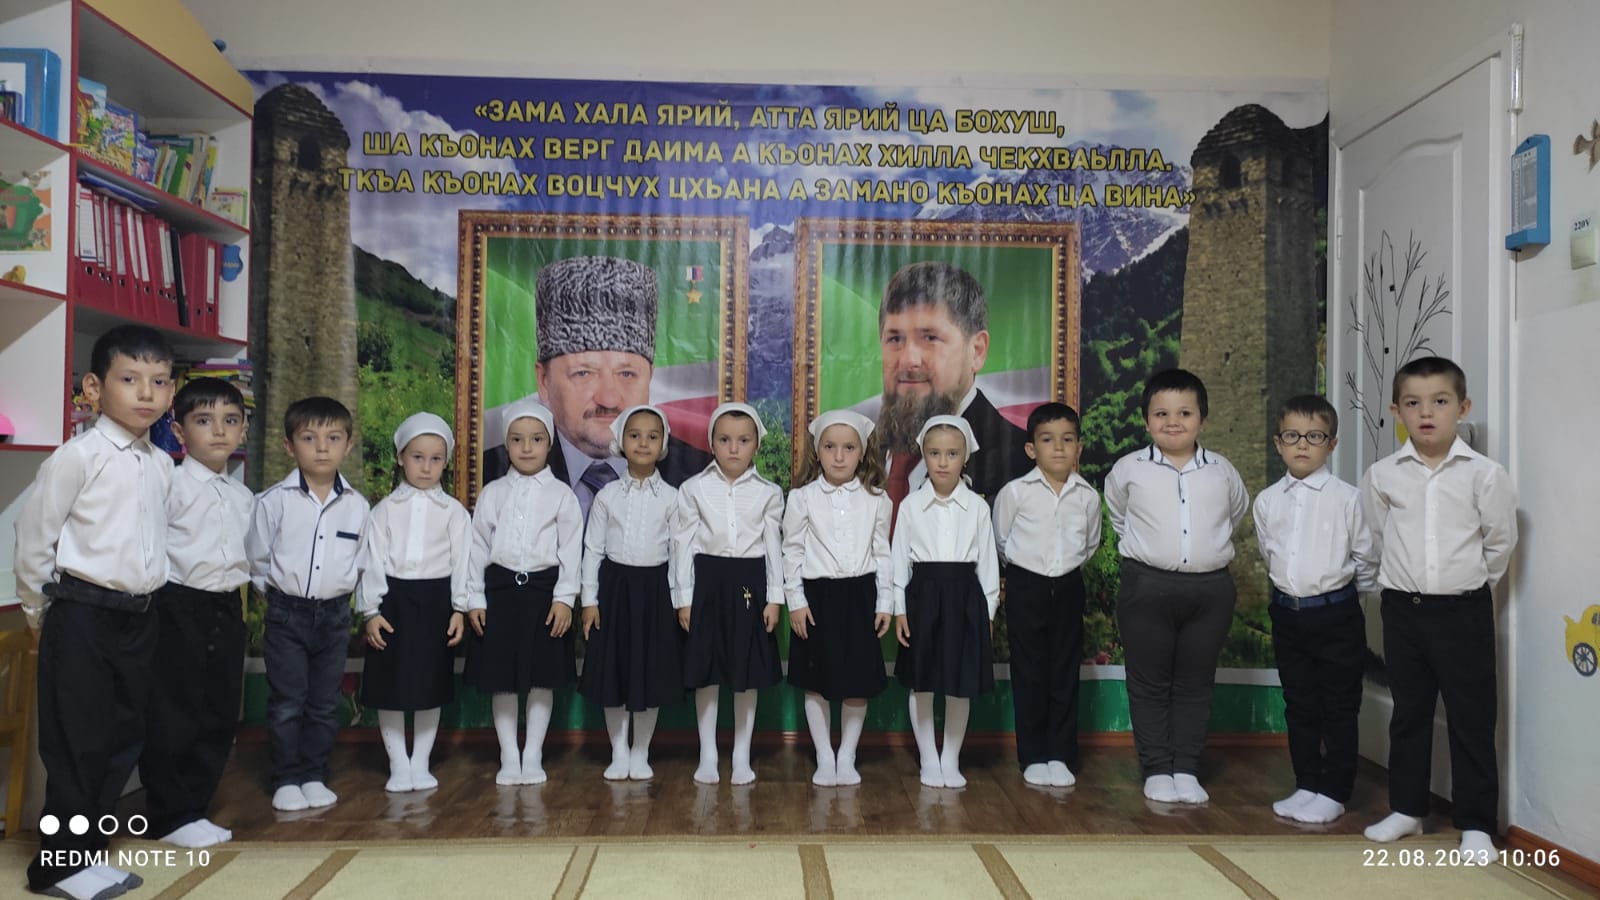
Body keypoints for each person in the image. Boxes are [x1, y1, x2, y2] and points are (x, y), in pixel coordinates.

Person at [16, 325, 174, 899]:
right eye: (130, 379)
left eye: (160, 381)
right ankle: (56, 867)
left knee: (121, 740)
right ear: (93, 387)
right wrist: (41, 614)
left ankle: (87, 855)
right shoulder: (77, 458)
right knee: (77, 743)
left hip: (140, 616)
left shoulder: (162, 464)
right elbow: (35, 540)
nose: (146, 393)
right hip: (82, 615)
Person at [1359, 357, 1517, 864]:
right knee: (1409, 714)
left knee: (1472, 718)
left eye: (1440, 401)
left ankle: (1476, 823)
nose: (1426, 413)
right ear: (1397, 411)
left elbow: (1499, 544)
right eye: (1413, 403)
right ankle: (1408, 809)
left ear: (1462, 408)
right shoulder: (1383, 476)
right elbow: (1376, 537)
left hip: (1463, 612)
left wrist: (1466, 589)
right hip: (1403, 611)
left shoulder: (1485, 475)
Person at [1103, 369, 1248, 805]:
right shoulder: (1129, 469)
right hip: (1147, 587)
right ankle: (1156, 768)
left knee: (1195, 682)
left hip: (1210, 592)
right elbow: (1119, 516)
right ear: (1146, 420)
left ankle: (1186, 768)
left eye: (1184, 413)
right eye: (1161, 413)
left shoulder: (1222, 472)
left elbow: (1234, 516)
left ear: (1202, 418)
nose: (1173, 422)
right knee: (1148, 683)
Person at [481, 255, 711, 514]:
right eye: (583, 373)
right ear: (544, 381)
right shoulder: (489, 474)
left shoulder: (698, 477)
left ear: (649, 377)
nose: (608, 399)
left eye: (626, 374)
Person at [139, 377, 252, 851]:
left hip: (226, 605)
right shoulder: (169, 484)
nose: (219, 431)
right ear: (179, 431)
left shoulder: (242, 496)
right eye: (204, 420)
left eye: (230, 420)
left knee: (218, 710)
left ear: (244, 429)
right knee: (175, 710)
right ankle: (170, 814)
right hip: (177, 604)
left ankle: (195, 806)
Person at [1254, 395, 1378, 825]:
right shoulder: (1268, 501)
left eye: (1314, 436)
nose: (1302, 444)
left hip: (1336, 614)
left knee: (1339, 705)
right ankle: (1306, 782)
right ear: (1278, 443)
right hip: (1288, 614)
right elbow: (1271, 555)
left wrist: (1338, 599)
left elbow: (1366, 560)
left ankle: (1335, 791)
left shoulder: (1348, 499)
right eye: (1292, 436)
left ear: (1332, 443)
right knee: (1299, 702)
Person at [248, 396, 369, 813]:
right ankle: (286, 778)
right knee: (287, 702)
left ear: (347, 445)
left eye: (333, 438)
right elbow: (257, 560)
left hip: (335, 615)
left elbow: (362, 563)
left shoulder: (357, 506)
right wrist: (278, 597)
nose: (321, 448)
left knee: (323, 701)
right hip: (287, 613)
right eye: (309, 438)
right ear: (289, 446)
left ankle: (314, 774)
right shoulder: (273, 501)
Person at [465, 399, 581, 786]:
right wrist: (475, 599)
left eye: (536, 439)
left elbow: (571, 552)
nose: (526, 447)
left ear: (549, 444)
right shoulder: (493, 493)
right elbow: (477, 548)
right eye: (517, 439)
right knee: (503, 677)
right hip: (499, 592)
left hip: (544, 594)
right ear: (506, 444)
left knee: (540, 677)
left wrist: (564, 599)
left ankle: (532, 754)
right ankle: (508, 755)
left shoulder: (562, 495)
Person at [357, 413, 471, 793]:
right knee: (389, 685)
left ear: (446, 462)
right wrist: (371, 611)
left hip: (436, 602)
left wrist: (459, 608)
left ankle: (420, 762)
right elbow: (372, 560)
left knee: (429, 684)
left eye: (436, 459)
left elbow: (463, 562)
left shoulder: (454, 512)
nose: (426, 467)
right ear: (400, 458)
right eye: (417, 457)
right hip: (393, 602)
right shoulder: (384, 510)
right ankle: (398, 763)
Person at [991, 402, 1101, 789]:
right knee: (1030, 671)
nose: (1058, 448)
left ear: (1078, 448)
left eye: (1067, 440)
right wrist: (1026, 574)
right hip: (1027, 585)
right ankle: (1034, 754)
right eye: (1048, 439)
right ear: (1030, 448)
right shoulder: (1016, 492)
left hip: (1069, 585)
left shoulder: (1087, 496)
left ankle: (1061, 754)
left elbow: (1090, 544)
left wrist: (1063, 571)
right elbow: (1002, 540)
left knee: (1064, 670)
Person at [674, 402, 784, 786]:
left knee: (744, 671)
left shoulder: (769, 493)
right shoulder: (693, 489)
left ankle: (741, 754)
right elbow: (683, 545)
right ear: (712, 443)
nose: (734, 448)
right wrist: (684, 598)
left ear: (756, 444)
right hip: (707, 582)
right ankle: (707, 752)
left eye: (743, 440)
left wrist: (774, 598)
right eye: (724, 440)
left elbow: (774, 547)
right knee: (706, 672)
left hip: (750, 583)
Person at [783, 409, 892, 787]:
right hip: (817, 598)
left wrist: (885, 602)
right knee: (816, 680)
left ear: (863, 452)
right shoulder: (802, 498)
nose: (839, 456)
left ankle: (847, 755)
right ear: (818, 451)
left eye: (849, 448)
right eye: (830, 447)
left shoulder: (877, 499)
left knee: (856, 681)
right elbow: (792, 551)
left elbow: (883, 553)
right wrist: (796, 601)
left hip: (860, 595)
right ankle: (824, 756)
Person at [892, 415, 1000, 789]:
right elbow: (899, 561)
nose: (942, 462)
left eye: (952, 454)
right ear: (924, 454)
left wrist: (987, 613)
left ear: (965, 457)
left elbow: (988, 566)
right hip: (922, 597)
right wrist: (900, 609)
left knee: (959, 682)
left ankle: (950, 758)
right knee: (922, 682)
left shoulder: (977, 508)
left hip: (965, 600)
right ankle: (928, 757)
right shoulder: (910, 506)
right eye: (934, 453)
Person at [875, 261, 1031, 514]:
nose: (908, 360)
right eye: (895, 339)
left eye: (930, 338)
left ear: (977, 351)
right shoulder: (854, 454)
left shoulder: (1020, 464)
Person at [578, 405, 683, 781]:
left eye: (652, 436)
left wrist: (680, 601)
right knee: (615, 672)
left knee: (648, 673)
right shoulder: (607, 495)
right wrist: (589, 601)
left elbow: (679, 553)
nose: (643, 443)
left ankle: (641, 752)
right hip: (614, 590)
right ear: (621, 441)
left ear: (663, 444)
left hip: (655, 591)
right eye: (635, 435)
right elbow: (592, 550)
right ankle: (619, 751)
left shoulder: (672, 498)